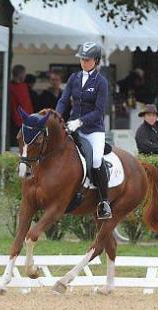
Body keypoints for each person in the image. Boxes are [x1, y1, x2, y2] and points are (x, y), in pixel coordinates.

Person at [56, 41, 111, 219]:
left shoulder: (101, 82)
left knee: (95, 160)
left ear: (95, 61)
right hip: (73, 127)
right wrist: (56, 117)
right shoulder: (74, 78)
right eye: (81, 59)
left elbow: (99, 111)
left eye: (87, 60)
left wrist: (79, 122)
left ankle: (104, 202)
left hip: (93, 129)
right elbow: (64, 100)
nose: (83, 63)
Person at [9, 64, 33, 146]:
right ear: (20, 74)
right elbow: (14, 107)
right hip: (19, 122)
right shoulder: (11, 87)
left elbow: (28, 104)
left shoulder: (24, 86)